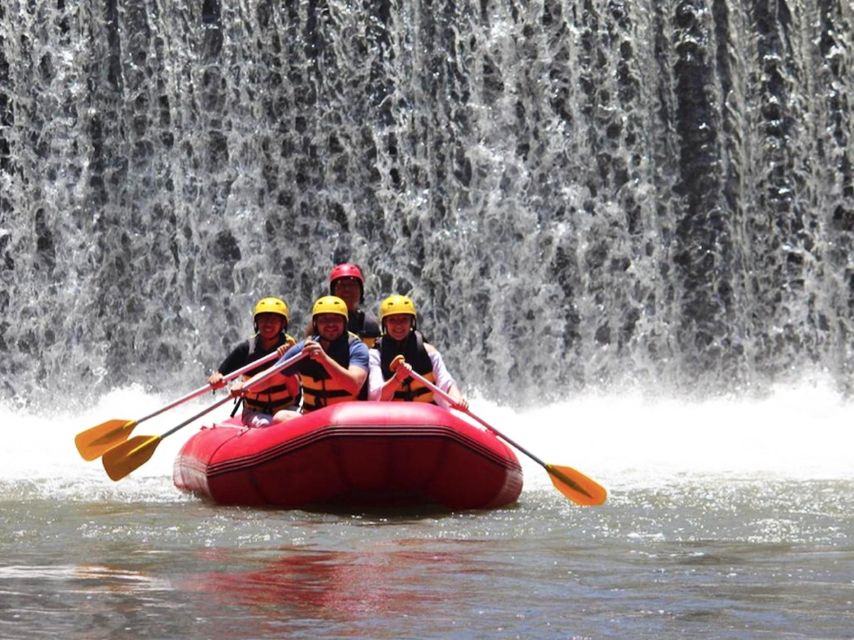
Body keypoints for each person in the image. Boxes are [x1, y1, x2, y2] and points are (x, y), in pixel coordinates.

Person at [232, 295, 370, 423]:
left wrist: (324, 359)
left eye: (336, 319)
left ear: (344, 323)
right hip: (313, 418)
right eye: (324, 320)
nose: (330, 324)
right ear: (315, 324)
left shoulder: (356, 348)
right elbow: (271, 378)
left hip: (347, 417)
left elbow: (354, 385)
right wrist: (245, 387)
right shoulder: (302, 349)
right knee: (280, 417)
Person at [208, 297, 300, 426]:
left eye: (273, 320)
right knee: (265, 424)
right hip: (255, 411)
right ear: (256, 323)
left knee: (288, 420)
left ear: (283, 324)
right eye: (263, 319)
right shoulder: (246, 349)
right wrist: (216, 379)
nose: (268, 324)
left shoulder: (291, 348)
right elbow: (221, 375)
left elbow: (295, 391)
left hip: (286, 409)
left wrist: (285, 361)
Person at [368, 294, 468, 410]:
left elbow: (446, 383)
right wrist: (397, 379)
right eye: (392, 320)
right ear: (385, 323)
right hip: (393, 416)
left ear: (412, 322)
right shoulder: (375, 355)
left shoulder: (428, 351)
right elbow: (375, 397)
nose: (398, 325)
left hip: (427, 414)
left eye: (404, 319)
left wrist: (457, 399)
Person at [328, 263, 381, 347]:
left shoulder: (369, 324)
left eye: (352, 285)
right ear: (333, 292)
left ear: (361, 291)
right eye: (341, 285)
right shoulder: (321, 322)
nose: (347, 289)